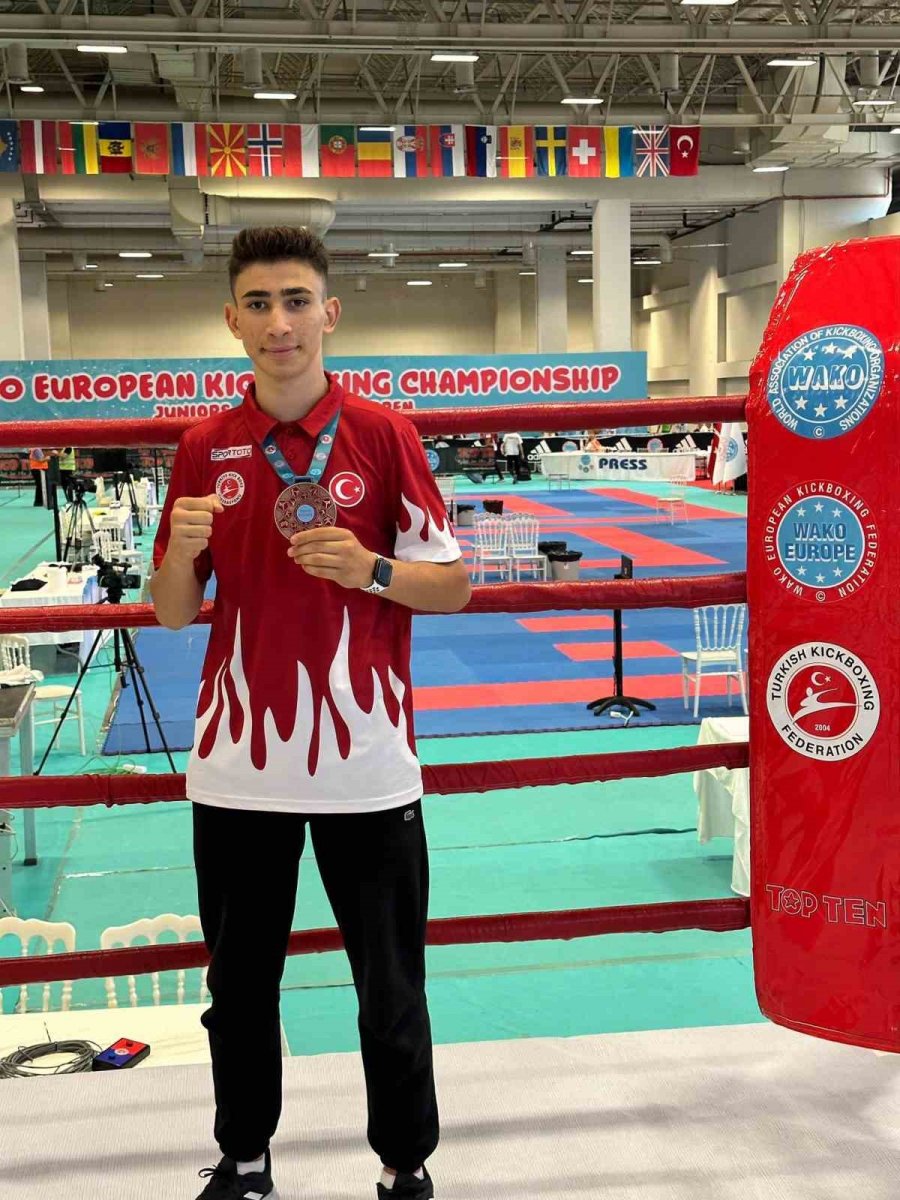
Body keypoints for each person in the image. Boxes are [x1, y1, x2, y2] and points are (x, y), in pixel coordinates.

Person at [150, 226, 471, 1200]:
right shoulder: (202, 449)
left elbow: (452, 586)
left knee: (391, 987)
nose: (279, 322)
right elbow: (173, 612)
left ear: (329, 313)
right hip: (238, 766)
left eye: (296, 301)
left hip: (365, 763)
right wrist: (180, 551)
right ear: (232, 319)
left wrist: (370, 569)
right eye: (259, 303)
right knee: (238, 989)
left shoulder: (383, 435)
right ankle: (245, 1160)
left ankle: (404, 1165)